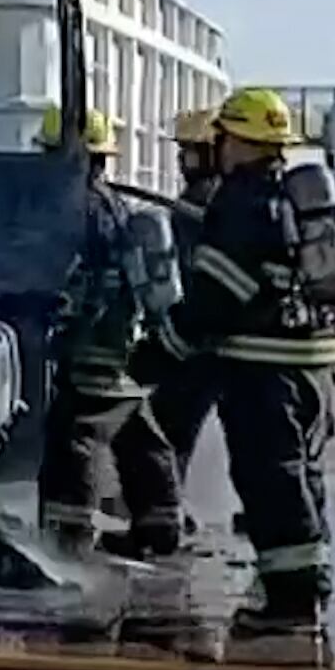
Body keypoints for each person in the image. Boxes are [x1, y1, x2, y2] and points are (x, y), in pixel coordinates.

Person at [145, 87, 335, 635]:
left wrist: (159, 350)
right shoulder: (290, 196)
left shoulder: (241, 202)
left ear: (238, 141)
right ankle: (310, 584)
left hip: (266, 371)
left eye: (223, 137)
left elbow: (217, 297)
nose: (218, 147)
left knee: (270, 480)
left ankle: (289, 602)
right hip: (313, 365)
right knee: (304, 478)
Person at [34, 105, 185, 560]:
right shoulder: (115, 205)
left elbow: (60, 274)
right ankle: (161, 524)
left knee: (75, 436)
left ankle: (68, 538)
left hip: (90, 340)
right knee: (139, 432)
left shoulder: (74, 207)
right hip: (122, 336)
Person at [143, 109, 224, 500]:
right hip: (219, 337)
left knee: (167, 425)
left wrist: (170, 341)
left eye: (190, 152)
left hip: (203, 338)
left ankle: (165, 514)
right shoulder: (225, 198)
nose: (182, 160)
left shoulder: (202, 201)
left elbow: (193, 280)